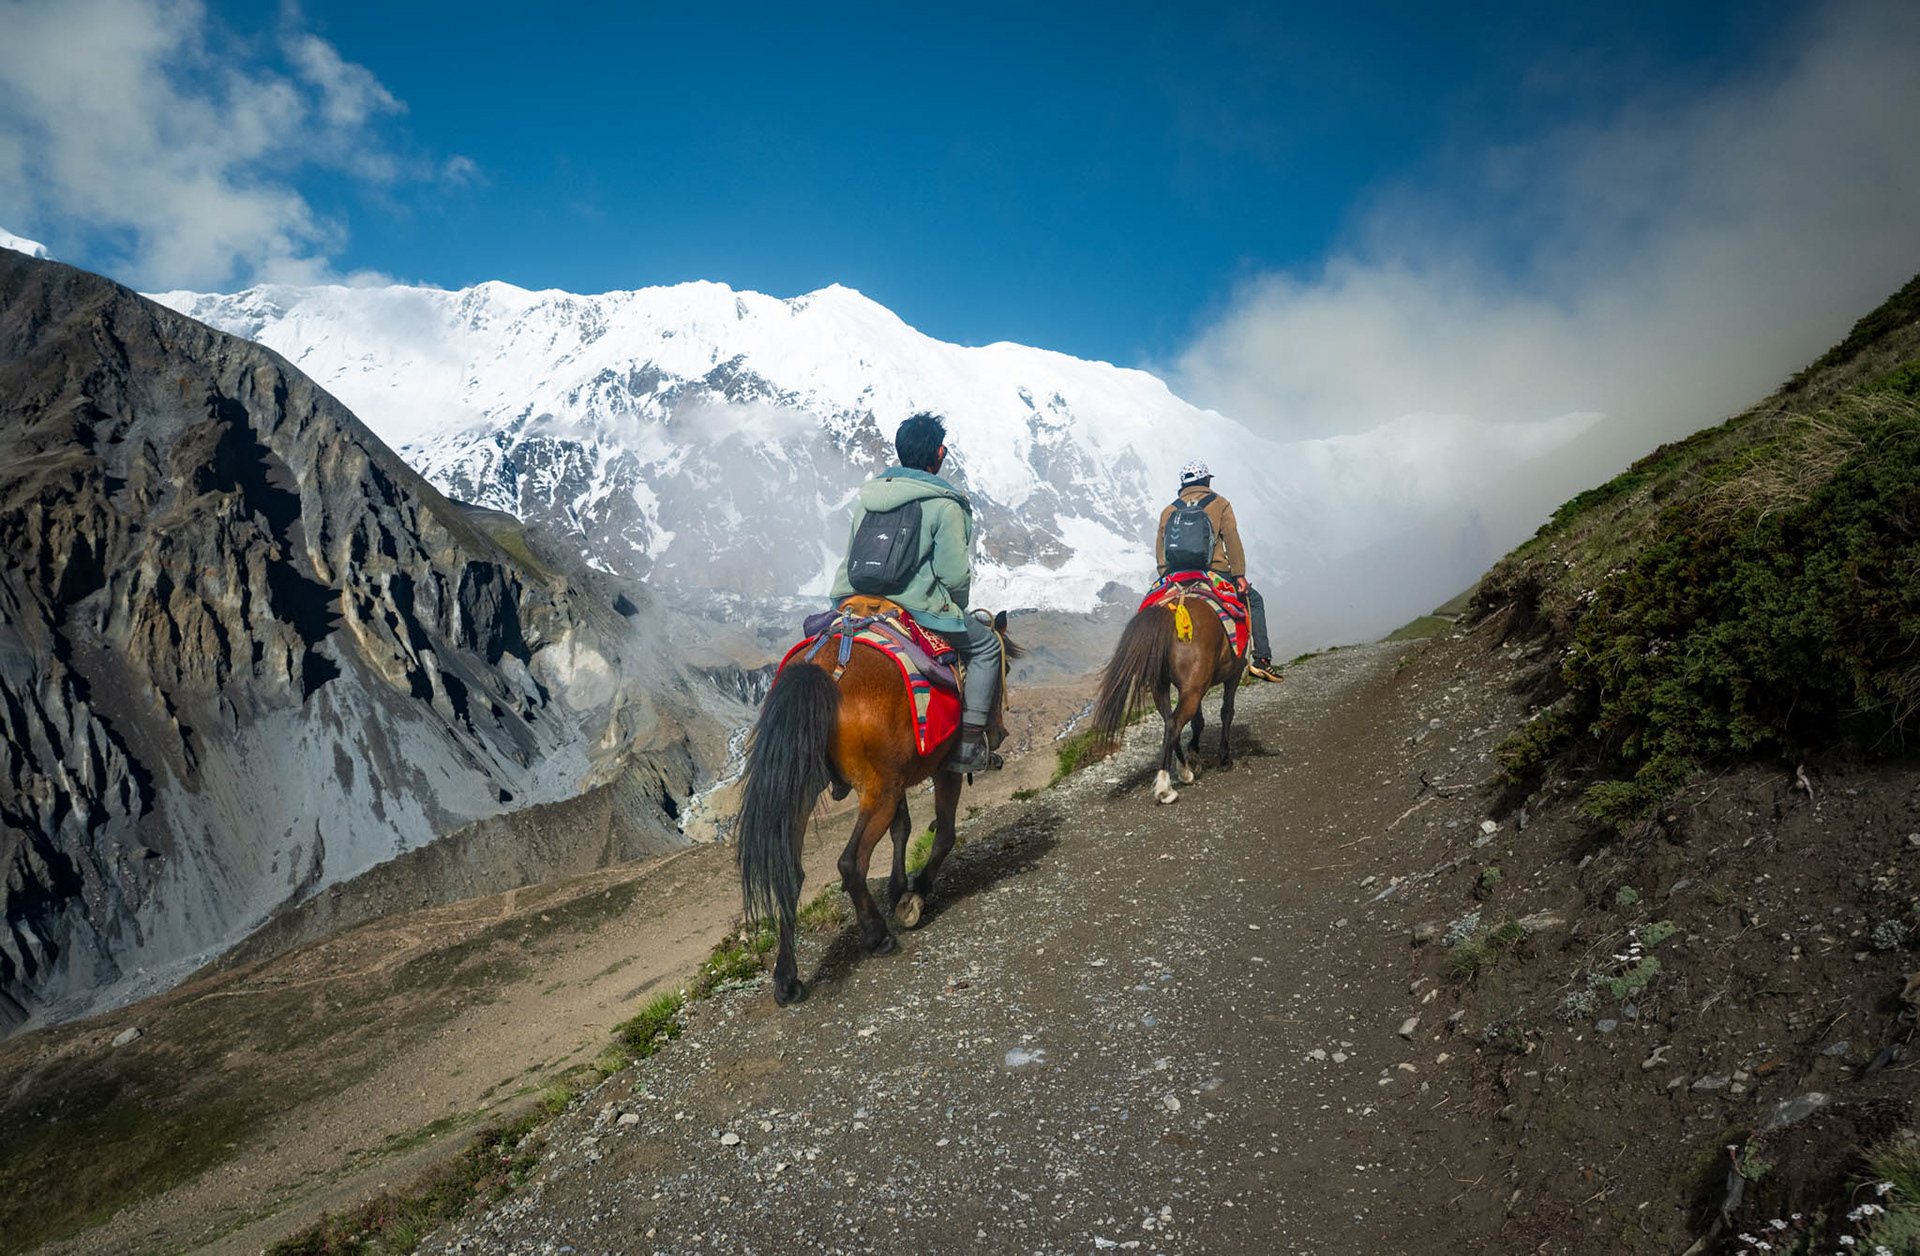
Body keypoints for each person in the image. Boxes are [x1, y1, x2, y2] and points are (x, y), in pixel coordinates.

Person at [828, 413, 1004, 772]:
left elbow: (851, 555)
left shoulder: (867, 498)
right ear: (939, 454)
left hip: (854, 601)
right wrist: (957, 609)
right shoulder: (944, 503)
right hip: (917, 608)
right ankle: (968, 747)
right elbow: (954, 575)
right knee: (987, 647)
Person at [1155, 459, 1280, 681]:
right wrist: (1239, 575)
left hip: (1175, 576)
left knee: (1148, 610)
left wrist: (1165, 575)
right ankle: (1261, 659)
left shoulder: (1169, 510)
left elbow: (1161, 547)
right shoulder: (1220, 503)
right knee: (1255, 600)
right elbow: (1231, 538)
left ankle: (1149, 671)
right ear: (1207, 480)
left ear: (1183, 484)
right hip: (1213, 573)